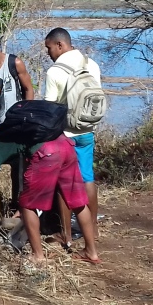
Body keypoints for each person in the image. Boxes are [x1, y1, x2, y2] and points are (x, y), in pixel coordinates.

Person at [0, 135, 100, 264]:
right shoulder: (4, 138)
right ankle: (91, 252)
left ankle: (37, 256)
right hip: (65, 144)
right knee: (76, 201)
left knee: (27, 205)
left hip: (46, 151)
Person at [43, 27, 102, 240]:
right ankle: (93, 229)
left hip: (66, 134)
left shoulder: (54, 72)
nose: (48, 53)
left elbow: (49, 110)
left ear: (60, 45)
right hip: (88, 130)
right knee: (87, 178)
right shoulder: (91, 64)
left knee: (64, 182)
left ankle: (66, 233)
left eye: (49, 48)